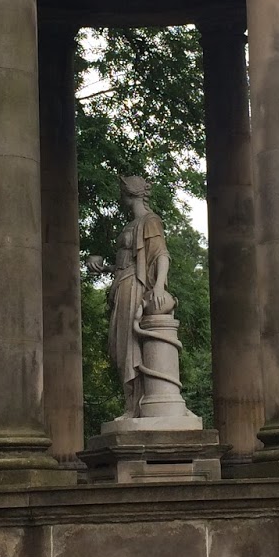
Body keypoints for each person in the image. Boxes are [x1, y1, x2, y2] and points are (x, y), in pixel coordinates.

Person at [107, 175, 174, 417]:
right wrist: (103, 267)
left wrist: (158, 287)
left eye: (122, 189)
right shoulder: (131, 224)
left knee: (129, 346)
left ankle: (135, 406)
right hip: (122, 284)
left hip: (135, 286)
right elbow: (124, 261)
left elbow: (161, 255)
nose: (120, 194)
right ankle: (131, 404)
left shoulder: (149, 221)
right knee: (118, 347)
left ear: (130, 192)